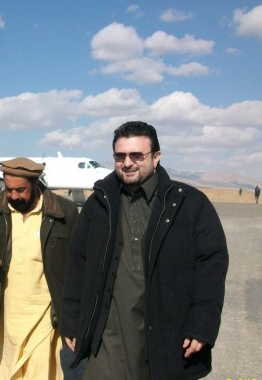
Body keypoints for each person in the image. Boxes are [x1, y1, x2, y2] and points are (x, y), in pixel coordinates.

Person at [60, 121, 229, 380]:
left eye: (137, 155)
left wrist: (203, 323)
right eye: (120, 156)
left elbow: (211, 266)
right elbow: (77, 264)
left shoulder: (189, 204)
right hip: (109, 332)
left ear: (156, 157)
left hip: (166, 330)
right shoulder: (99, 204)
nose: (127, 163)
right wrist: (71, 320)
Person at [0, 157, 79, 379]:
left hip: (44, 313)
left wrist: (74, 314)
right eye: (8, 189)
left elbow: (77, 263)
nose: (13, 196)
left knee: (39, 372)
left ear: (35, 183)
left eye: (20, 190)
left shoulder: (64, 212)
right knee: (7, 370)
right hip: (6, 311)